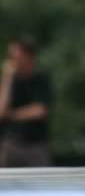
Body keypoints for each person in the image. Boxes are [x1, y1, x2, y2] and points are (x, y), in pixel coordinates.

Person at [0, 36, 52, 167]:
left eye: (16, 56)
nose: (12, 60)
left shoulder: (41, 80)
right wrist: (7, 78)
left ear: (28, 56)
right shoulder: (9, 82)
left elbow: (40, 110)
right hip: (11, 144)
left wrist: (12, 114)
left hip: (36, 145)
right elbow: (1, 111)